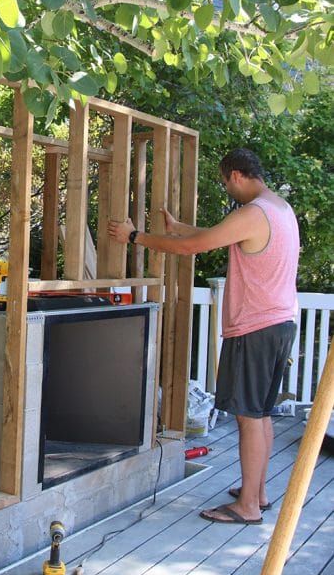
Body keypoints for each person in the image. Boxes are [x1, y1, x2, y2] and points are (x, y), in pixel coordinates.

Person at [107, 147, 299, 525]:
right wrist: (177, 229)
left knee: (247, 416)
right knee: (259, 415)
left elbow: (195, 248)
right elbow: (212, 237)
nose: (228, 191)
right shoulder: (279, 210)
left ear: (237, 176)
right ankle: (256, 493)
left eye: (226, 183)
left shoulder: (254, 212)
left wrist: (136, 237)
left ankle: (246, 507)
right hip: (278, 325)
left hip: (255, 329)